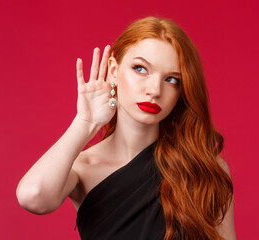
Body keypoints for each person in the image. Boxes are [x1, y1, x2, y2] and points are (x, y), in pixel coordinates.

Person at [16, 16, 236, 240]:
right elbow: (33, 196)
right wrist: (85, 122)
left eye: (172, 80)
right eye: (140, 69)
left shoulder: (204, 167)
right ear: (113, 70)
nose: (154, 90)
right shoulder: (84, 168)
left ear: (182, 91)